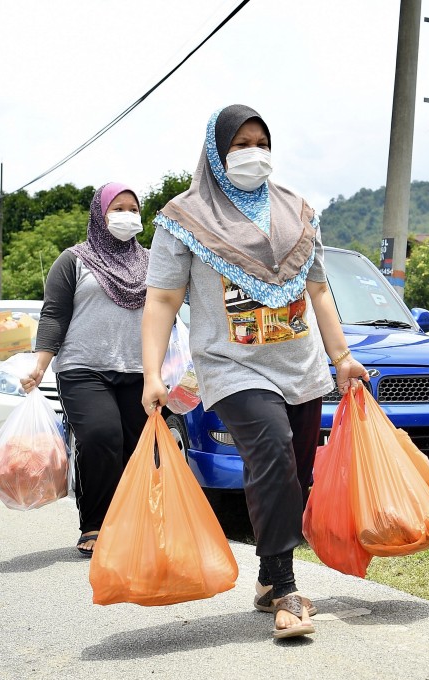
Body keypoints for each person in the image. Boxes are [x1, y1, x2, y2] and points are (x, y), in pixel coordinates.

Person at [141, 104, 368, 639]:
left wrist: (342, 358)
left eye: (261, 143)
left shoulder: (297, 211)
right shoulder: (185, 217)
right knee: (269, 452)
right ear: (218, 154)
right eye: (240, 145)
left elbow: (318, 291)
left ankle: (268, 579)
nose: (252, 154)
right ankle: (287, 589)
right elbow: (162, 301)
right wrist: (152, 373)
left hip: (301, 365)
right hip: (231, 366)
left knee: (295, 471)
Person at [21, 182, 150, 557]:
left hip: (138, 369)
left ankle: (128, 524)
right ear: (100, 213)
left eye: (133, 208)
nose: (127, 215)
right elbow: (54, 314)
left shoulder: (153, 261)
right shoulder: (74, 259)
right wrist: (40, 365)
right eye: (118, 208)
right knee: (100, 438)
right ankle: (94, 523)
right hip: (82, 368)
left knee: (135, 449)